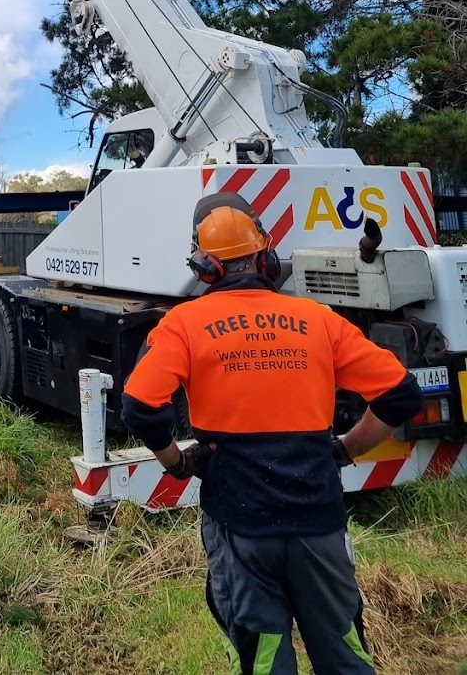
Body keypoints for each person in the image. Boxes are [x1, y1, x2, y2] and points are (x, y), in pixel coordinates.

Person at [120, 191, 424, 675]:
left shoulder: (183, 325)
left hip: (240, 528)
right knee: (346, 656)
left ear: (204, 269)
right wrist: (344, 450)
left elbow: (139, 405)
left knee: (264, 663)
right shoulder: (318, 320)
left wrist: (176, 463)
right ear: (268, 256)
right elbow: (401, 396)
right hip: (319, 525)